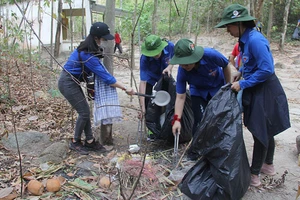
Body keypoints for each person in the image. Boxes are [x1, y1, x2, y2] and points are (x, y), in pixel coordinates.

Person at [215, 4, 290, 187]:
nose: (228, 30)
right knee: (265, 128)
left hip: (265, 89)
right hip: (256, 87)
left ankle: (254, 174)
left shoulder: (255, 40)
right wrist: (240, 72)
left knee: (260, 130)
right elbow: (252, 65)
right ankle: (268, 165)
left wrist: (242, 83)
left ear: (240, 24)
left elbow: (266, 69)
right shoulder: (244, 41)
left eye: (229, 26)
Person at [58, 22, 134, 155]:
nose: (104, 42)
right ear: (96, 38)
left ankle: (90, 141)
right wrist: (125, 88)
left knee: (85, 111)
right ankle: (75, 142)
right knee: (84, 113)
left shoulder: (88, 48)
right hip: (67, 82)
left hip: (72, 82)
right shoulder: (88, 56)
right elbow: (107, 78)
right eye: (103, 39)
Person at [170, 38, 231, 160]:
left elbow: (226, 65)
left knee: (218, 119)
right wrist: (177, 120)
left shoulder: (210, 55)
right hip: (198, 91)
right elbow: (180, 97)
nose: (184, 66)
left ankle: (218, 149)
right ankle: (197, 151)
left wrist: (227, 87)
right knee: (199, 120)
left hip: (217, 89)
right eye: (181, 63)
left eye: (187, 63)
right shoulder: (182, 71)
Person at [138, 35, 174, 125]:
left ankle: (164, 125)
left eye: (156, 52)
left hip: (165, 74)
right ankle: (151, 126)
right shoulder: (144, 58)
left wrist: (169, 67)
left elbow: (175, 58)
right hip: (151, 76)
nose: (154, 55)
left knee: (166, 100)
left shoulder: (170, 46)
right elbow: (143, 83)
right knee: (147, 99)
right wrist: (142, 106)